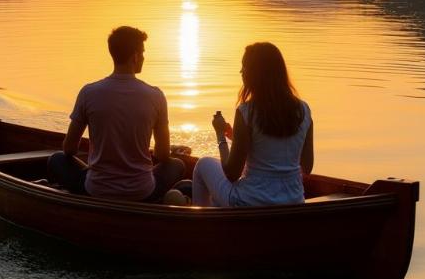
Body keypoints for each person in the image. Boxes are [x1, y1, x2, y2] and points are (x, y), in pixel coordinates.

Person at [48, 26, 184, 201]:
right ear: (135, 56)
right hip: (142, 192)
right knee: (177, 165)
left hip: (96, 190)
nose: (143, 57)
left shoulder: (88, 93)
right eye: (142, 53)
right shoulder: (155, 96)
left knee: (56, 159)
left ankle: (70, 203)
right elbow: (163, 155)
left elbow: (69, 149)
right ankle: (155, 207)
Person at [191, 42, 313, 207]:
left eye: (244, 67)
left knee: (203, 164)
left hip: (250, 202)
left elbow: (231, 174)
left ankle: (201, 228)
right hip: (294, 202)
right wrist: (237, 137)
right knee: (216, 199)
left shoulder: (246, 111)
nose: (241, 72)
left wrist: (220, 134)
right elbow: (307, 166)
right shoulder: (304, 110)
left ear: (256, 74)